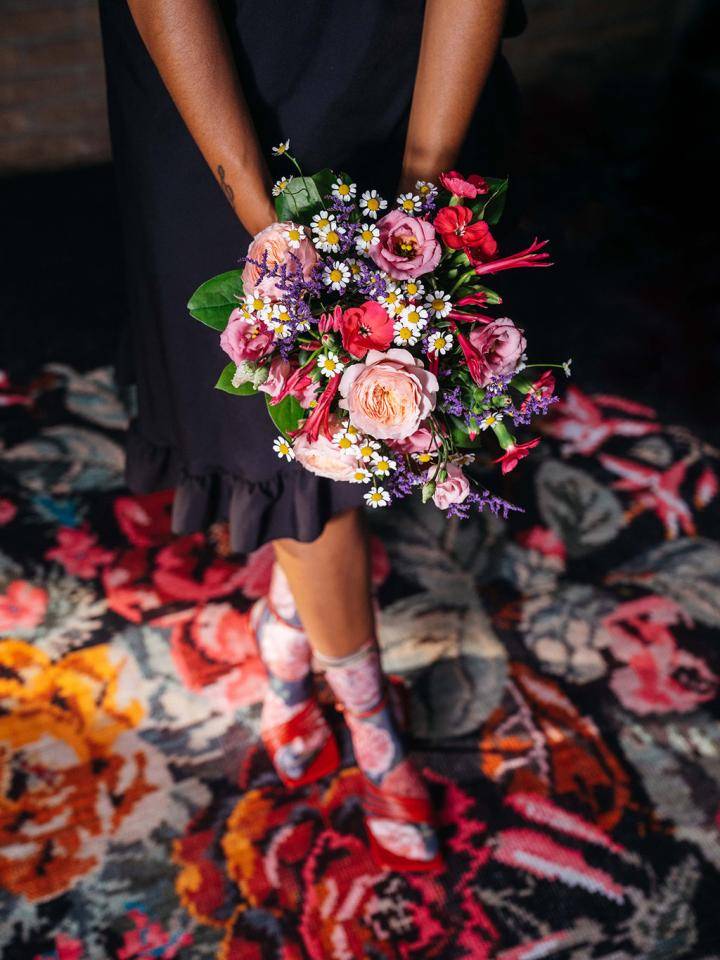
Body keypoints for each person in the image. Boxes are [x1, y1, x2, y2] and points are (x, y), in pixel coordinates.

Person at [99, 0, 524, 871]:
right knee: (293, 454)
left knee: (432, 394)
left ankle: (289, 620)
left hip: (414, 66)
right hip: (223, 92)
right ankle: (372, 725)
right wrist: (270, 233)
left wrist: (421, 207)